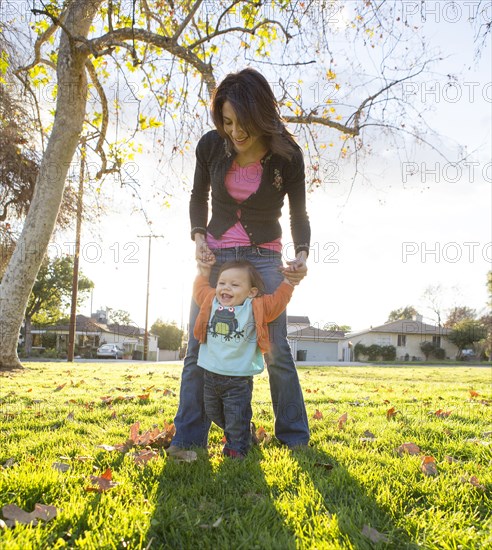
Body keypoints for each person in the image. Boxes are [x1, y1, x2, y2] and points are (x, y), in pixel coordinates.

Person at [168, 67, 310, 458]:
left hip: (265, 258)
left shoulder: (287, 155)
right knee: (198, 345)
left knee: (275, 348)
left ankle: (294, 436)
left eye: (241, 121)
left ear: (260, 113)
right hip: (217, 258)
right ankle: (188, 438)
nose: (234, 131)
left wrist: (300, 255)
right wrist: (199, 238)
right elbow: (198, 198)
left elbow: (299, 214)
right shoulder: (211, 146)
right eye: (226, 121)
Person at [193, 258, 295, 459]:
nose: (226, 288)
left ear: (251, 292)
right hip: (211, 375)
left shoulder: (254, 307)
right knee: (214, 413)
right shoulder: (210, 300)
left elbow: (278, 301)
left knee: (235, 414)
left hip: (238, 379)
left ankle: (236, 449)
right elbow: (199, 290)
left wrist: (289, 283)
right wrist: (203, 272)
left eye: (234, 284)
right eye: (222, 283)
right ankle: (244, 430)